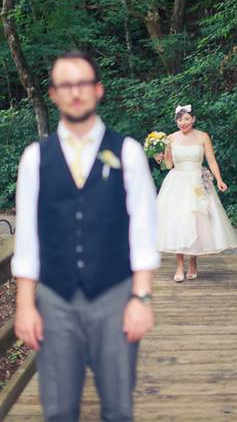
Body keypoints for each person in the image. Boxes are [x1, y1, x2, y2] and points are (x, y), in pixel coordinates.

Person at [12, 50, 160, 421]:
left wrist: (141, 297)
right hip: (55, 299)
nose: (75, 92)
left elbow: (143, 229)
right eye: (65, 85)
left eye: (82, 84)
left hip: (114, 295)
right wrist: (26, 305)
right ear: (53, 93)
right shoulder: (34, 158)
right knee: (58, 409)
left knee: (117, 408)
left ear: (98, 90)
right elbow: (28, 237)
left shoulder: (128, 152)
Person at [155, 105, 237, 281]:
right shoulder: (169, 139)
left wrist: (219, 179)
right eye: (179, 120)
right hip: (177, 181)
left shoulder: (203, 137)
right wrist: (161, 159)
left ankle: (193, 261)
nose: (183, 123)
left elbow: (212, 161)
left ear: (193, 119)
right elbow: (169, 165)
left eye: (186, 119)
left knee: (196, 220)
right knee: (177, 221)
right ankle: (179, 265)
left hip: (196, 182)